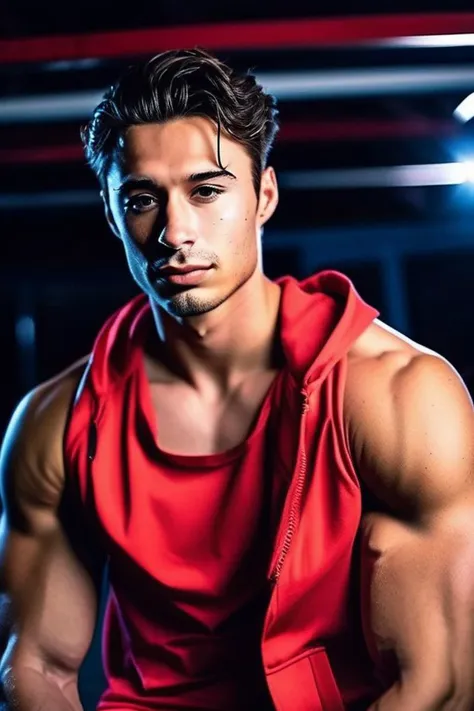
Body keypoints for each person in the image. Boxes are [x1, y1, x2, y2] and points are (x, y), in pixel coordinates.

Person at [0, 48, 473, 711]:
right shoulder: (57, 424)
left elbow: (434, 683)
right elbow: (35, 668)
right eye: (142, 199)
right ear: (113, 216)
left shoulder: (397, 395)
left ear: (265, 196)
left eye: (207, 189)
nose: (174, 231)